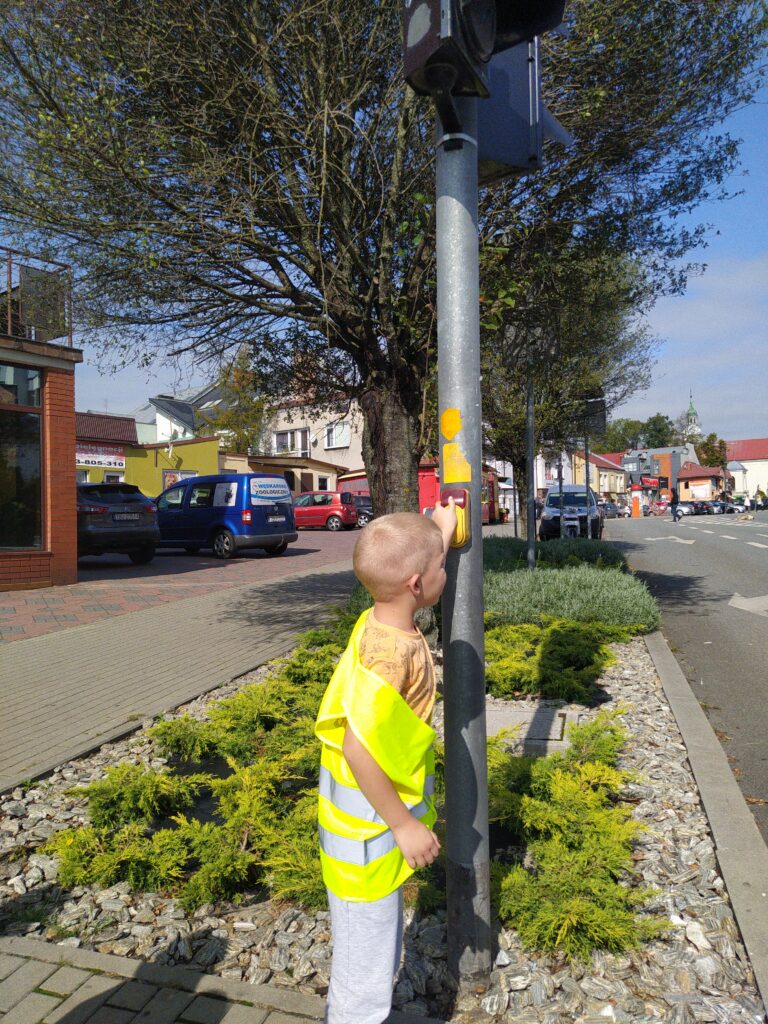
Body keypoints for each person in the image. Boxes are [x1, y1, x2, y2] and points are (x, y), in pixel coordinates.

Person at [315, 499, 457, 1024]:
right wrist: (403, 825)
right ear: (418, 585)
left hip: (360, 834)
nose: (447, 571)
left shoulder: (376, 622)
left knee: (371, 953)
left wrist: (438, 533)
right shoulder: (388, 663)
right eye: (442, 565)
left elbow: (414, 563)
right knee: (366, 973)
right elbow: (359, 747)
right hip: (367, 845)